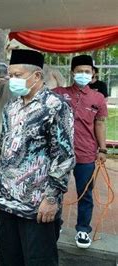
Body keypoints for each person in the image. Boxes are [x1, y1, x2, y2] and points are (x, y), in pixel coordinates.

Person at [0, 49, 75, 266]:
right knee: (8, 258)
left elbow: (64, 157)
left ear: (36, 76)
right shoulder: (11, 106)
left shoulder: (55, 107)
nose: (12, 80)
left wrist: (52, 198)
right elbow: (2, 144)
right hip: (7, 201)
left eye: (17, 75)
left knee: (39, 261)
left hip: (37, 206)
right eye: (11, 75)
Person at [54, 55, 108, 249]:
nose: (83, 74)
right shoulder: (58, 93)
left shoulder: (98, 98)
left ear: (93, 73)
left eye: (87, 71)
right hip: (60, 154)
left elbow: (100, 124)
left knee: (85, 193)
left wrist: (102, 149)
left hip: (86, 154)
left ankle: (83, 229)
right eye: (79, 71)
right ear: (72, 72)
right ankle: (54, 224)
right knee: (56, 190)